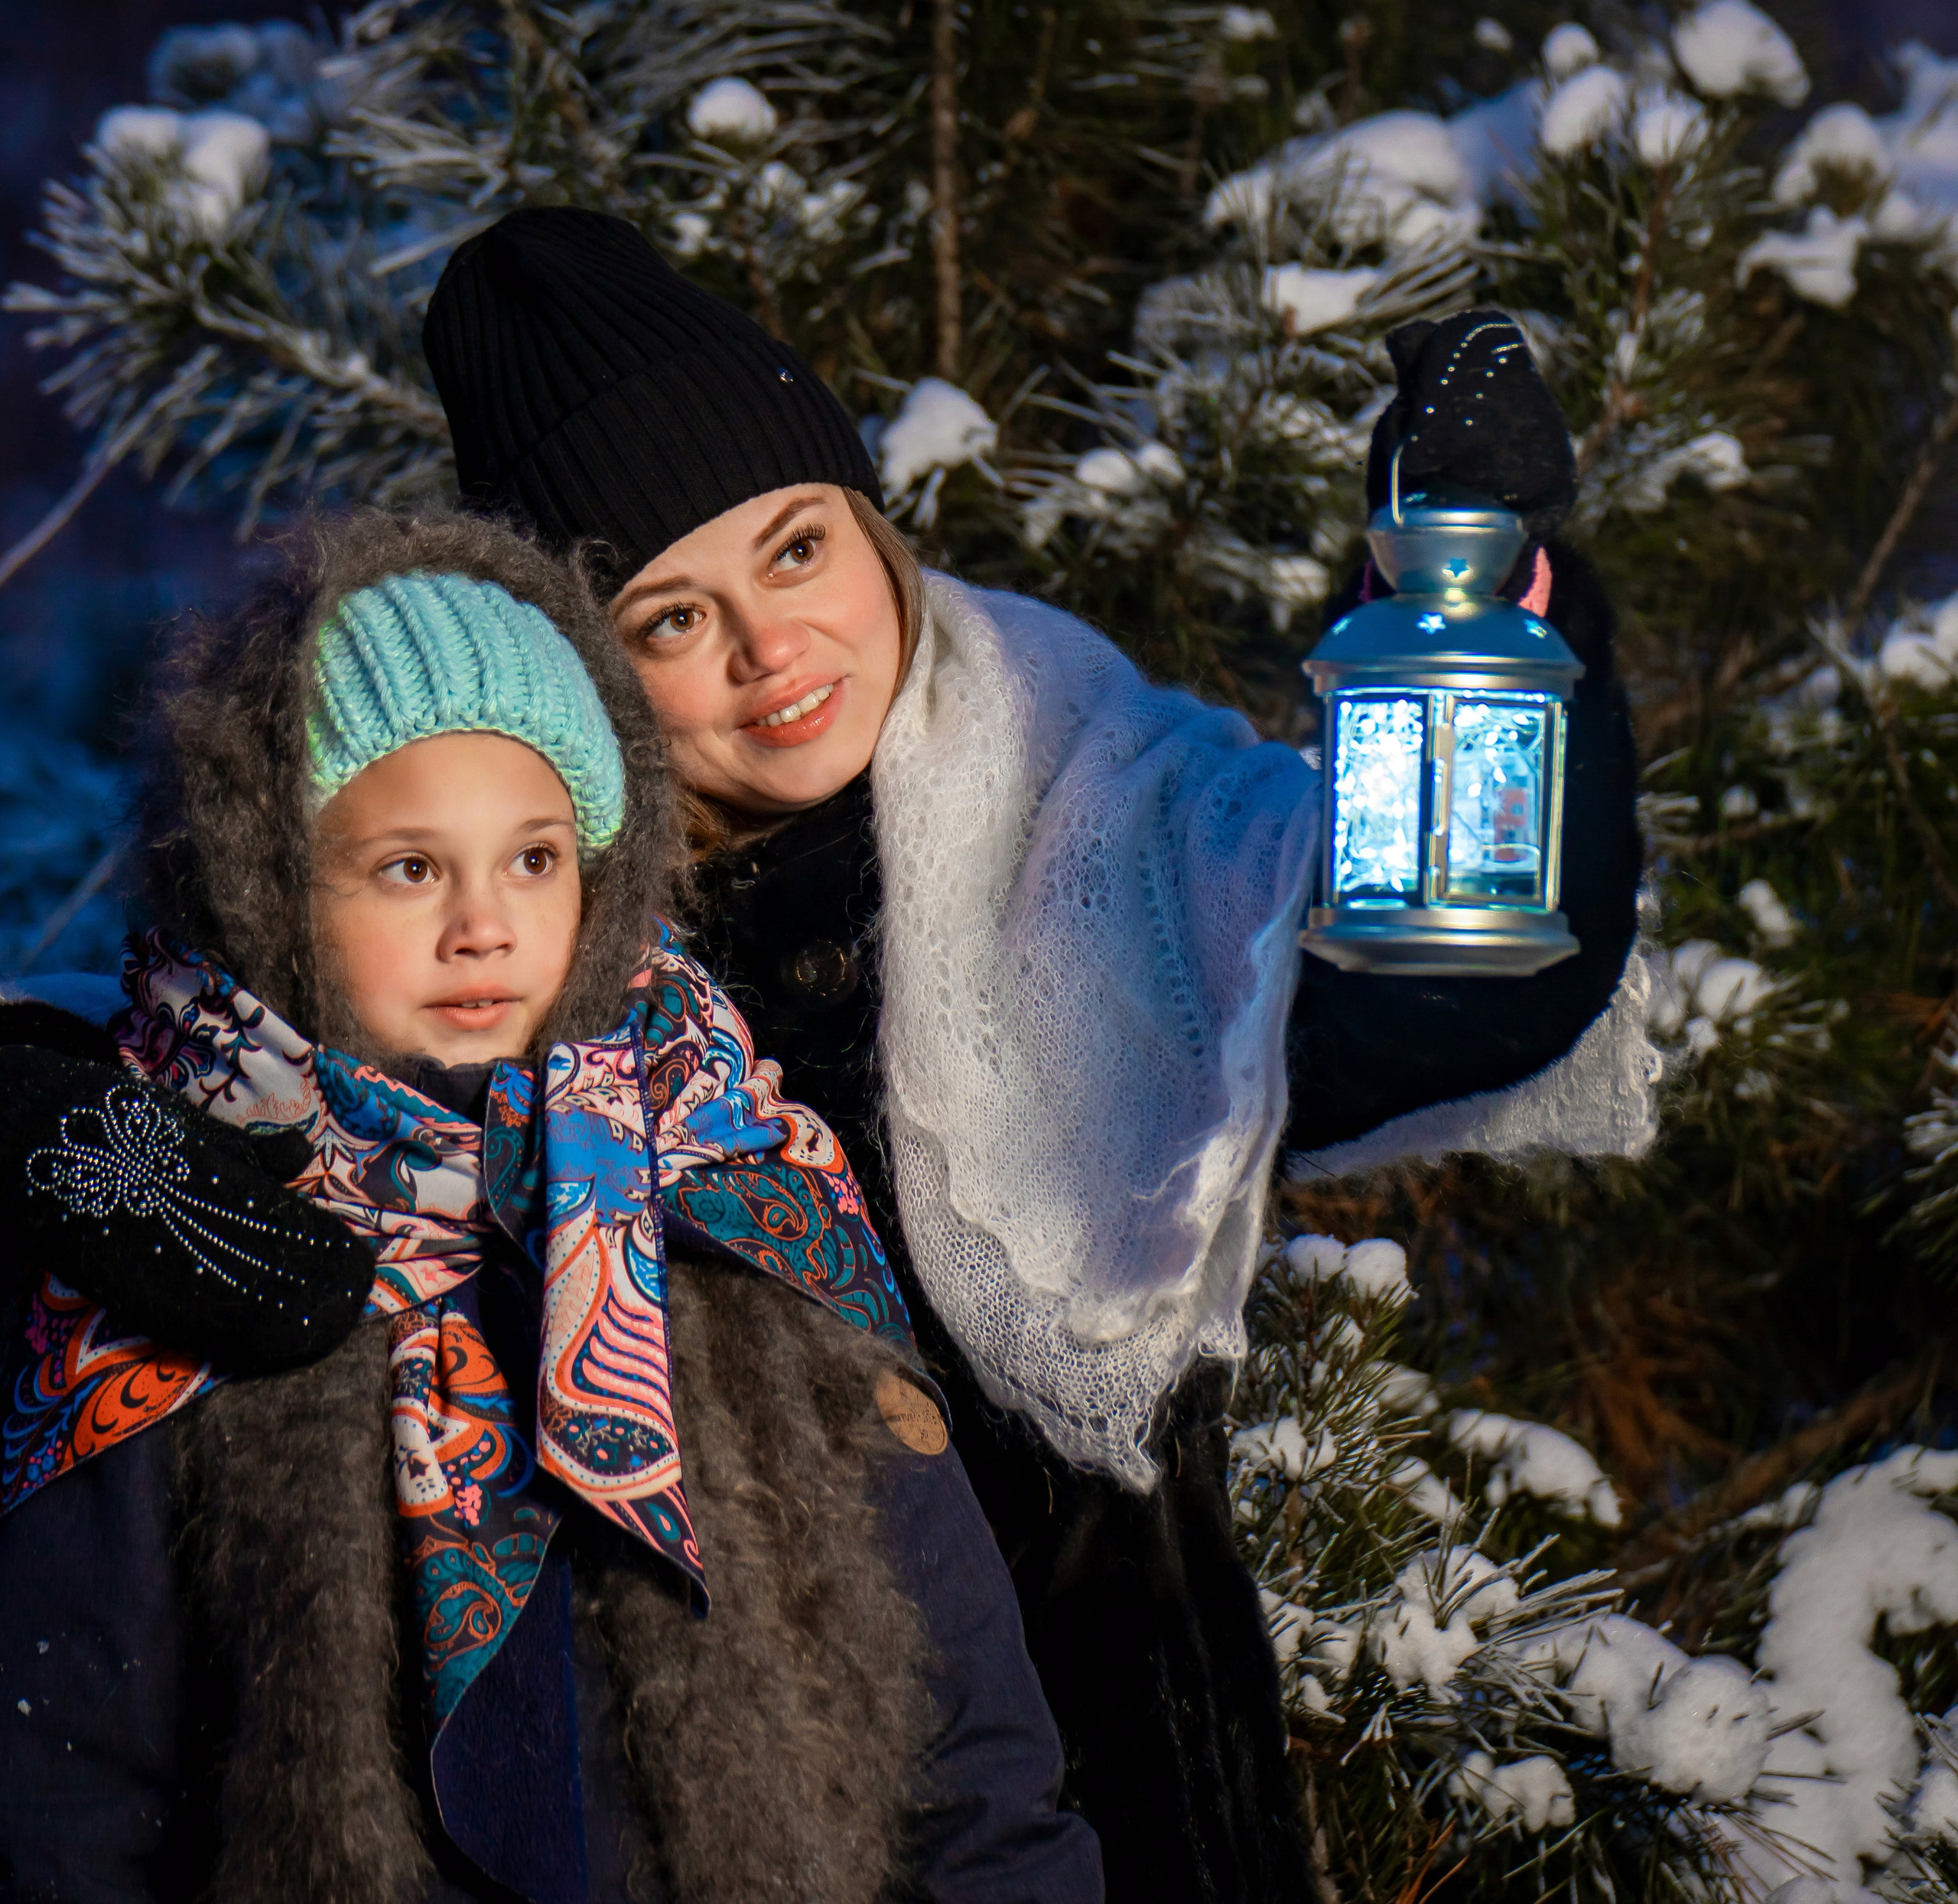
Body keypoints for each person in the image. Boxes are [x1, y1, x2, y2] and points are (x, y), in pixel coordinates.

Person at [405, 210, 1652, 1903]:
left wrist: (1465, 592)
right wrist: (64, 1098)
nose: (771, 650)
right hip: (731, 1812)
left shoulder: (1104, 806)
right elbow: (225, 1003)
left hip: (1131, 1785)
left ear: (868, 520)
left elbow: (1449, 975)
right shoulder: (518, 928)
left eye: (791, 551)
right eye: (670, 618)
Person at [0, 509, 1104, 1904]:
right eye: (409, 868)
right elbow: (68, 1809)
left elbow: (977, 1766)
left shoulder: (737, 1193)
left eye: (534, 856)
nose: (487, 925)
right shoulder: (161, 1235)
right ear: (271, 883)